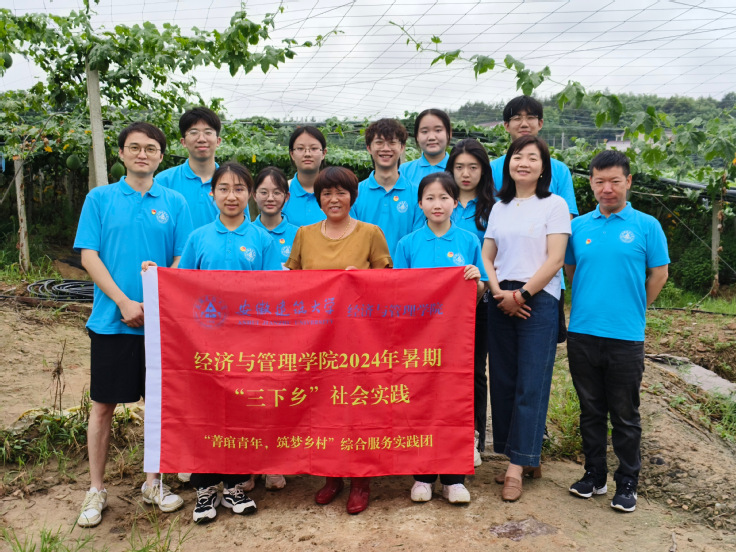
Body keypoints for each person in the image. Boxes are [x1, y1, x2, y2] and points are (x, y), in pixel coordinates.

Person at [144, 161, 282, 523]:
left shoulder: (262, 240)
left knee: (241, 411)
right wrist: (157, 276)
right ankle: (204, 487)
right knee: (203, 412)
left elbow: (273, 292)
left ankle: (235, 484)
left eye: (239, 189)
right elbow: (181, 285)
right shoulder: (198, 237)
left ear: (249, 195)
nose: (231, 196)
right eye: (224, 189)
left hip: (248, 346)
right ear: (212, 194)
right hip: (203, 346)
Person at [73, 122, 192, 528]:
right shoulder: (100, 198)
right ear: (121, 153)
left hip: (160, 325)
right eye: (135, 147)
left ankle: (153, 482)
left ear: (161, 155)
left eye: (151, 148)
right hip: (111, 320)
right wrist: (123, 301)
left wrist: (158, 294)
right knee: (103, 405)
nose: (143, 154)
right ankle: (96, 488)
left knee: (157, 405)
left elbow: (181, 257)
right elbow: (89, 255)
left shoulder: (175, 201)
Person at [565, 150, 669, 513]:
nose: (607, 188)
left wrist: (635, 306)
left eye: (614, 181)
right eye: (599, 181)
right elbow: (571, 271)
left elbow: (659, 274)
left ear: (628, 181)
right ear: (591, 184)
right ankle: (594, 475)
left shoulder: (647, 226)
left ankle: (628, 482)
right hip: (582, 332)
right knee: (590, 410)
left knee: (625, 414)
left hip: (626, 336)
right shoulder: (579, 227)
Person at [285, 166, 392, 514]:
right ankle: (331, 475)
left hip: (359, 341)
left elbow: (388, 283)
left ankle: (361, 480)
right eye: (326, 193)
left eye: (341, 192)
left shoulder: (370, 233)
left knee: (358, 407)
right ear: (318, 199)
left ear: (353, 197)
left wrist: (361, 280)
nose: (334, 199)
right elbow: (291, 282)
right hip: (316, 341)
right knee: (322, 407)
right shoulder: (304, 234)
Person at [481, 135, 570, 502]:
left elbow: (555, 259)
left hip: (539, 300)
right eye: (518, 156)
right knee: (503, 380)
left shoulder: (554, 204)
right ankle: (521, 455)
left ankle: (517, 466)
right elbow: (487, 255)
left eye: (532, 158)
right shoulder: (499, 207)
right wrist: (498, 292)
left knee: (531, 382)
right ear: (509, 164)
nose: (524, 163)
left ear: (543, 167)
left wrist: (523, 295)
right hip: (500, 298)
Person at [394, 172, 487, 505]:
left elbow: (479, 293)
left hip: (455, 341)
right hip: (418, 340)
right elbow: (398, 292)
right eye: (430, 198)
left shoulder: (468, 241)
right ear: (420, 203)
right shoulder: (407, 244)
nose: (437, 204)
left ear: (455, 203)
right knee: (419, 402)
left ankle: (453, 478)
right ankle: (422, 475)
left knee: (453, 403)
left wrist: (476, 280)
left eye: (444, 197)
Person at [490, 95, 578, 343]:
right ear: (506, 125)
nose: (524, 123)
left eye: (530, 117)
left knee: (539, 350)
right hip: (502, 277)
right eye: (516, 118)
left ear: (540, 123)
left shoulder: (558, 170)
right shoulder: (492, 168)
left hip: (545, 281)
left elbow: (566, 219)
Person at [446, 138, 495, 467]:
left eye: (473, 167)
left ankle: (473, 437)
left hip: (479, 302)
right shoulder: (440, 201)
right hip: (439, 308)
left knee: (475, 371)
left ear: (483, 171)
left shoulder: (494, 209)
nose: (466, 174)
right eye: (459, 167)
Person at [350, 118, 424, 257]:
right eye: (379, 142)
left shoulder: (417, 194)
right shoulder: (354, 194)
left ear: (402, 147)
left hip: (404, 269)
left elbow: (418, 242)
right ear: (369, 148)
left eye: (392, 142)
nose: (385, 148)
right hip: (366, 269)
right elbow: (352, 241)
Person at [157, 106, 225, 230]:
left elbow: (243, 229)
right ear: (183, 142)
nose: (201, 139)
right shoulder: (164, 181)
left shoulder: (233, 182)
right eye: (193, 133)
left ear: (218, 141)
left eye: (208, 132)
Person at [252, 166, 299, 271]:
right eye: (264, 192)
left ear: (286, 197)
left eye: (277, 193)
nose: (270, 198)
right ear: (254, 195)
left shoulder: (298, 235)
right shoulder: (247, 233)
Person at [282, 126, 328, 227]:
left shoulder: (336, 192)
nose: (307, 154)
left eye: (314, 148)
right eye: (300, 148)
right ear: (292, 154)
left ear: (323, 153)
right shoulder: (282, 191)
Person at [400, 108, 452, 185]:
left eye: (438, 130)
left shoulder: (459, 170)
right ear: (417, 136)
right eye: (424, 131)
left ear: (449, 134)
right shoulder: (403, 171)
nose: (431, 137)